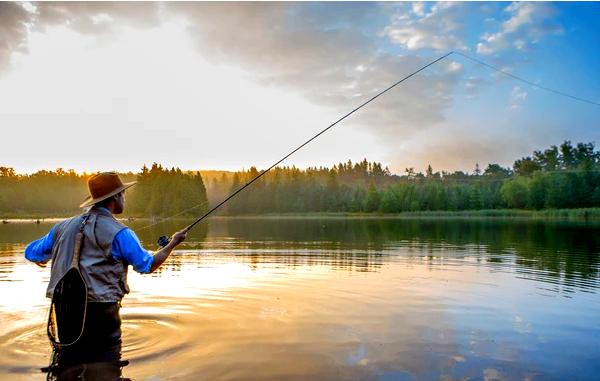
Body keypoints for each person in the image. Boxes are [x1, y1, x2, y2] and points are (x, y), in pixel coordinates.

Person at [24, 171, 187, 367]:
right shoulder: (120, 233)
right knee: (106, 363)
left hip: (65, 310)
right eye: (123, 194)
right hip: (102, 316)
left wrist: (41, 259)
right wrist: (173, 244)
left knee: (68, 361)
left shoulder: (61, 228)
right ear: (115, 197)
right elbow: (147, 265)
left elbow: (31, 252)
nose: (124, 198)